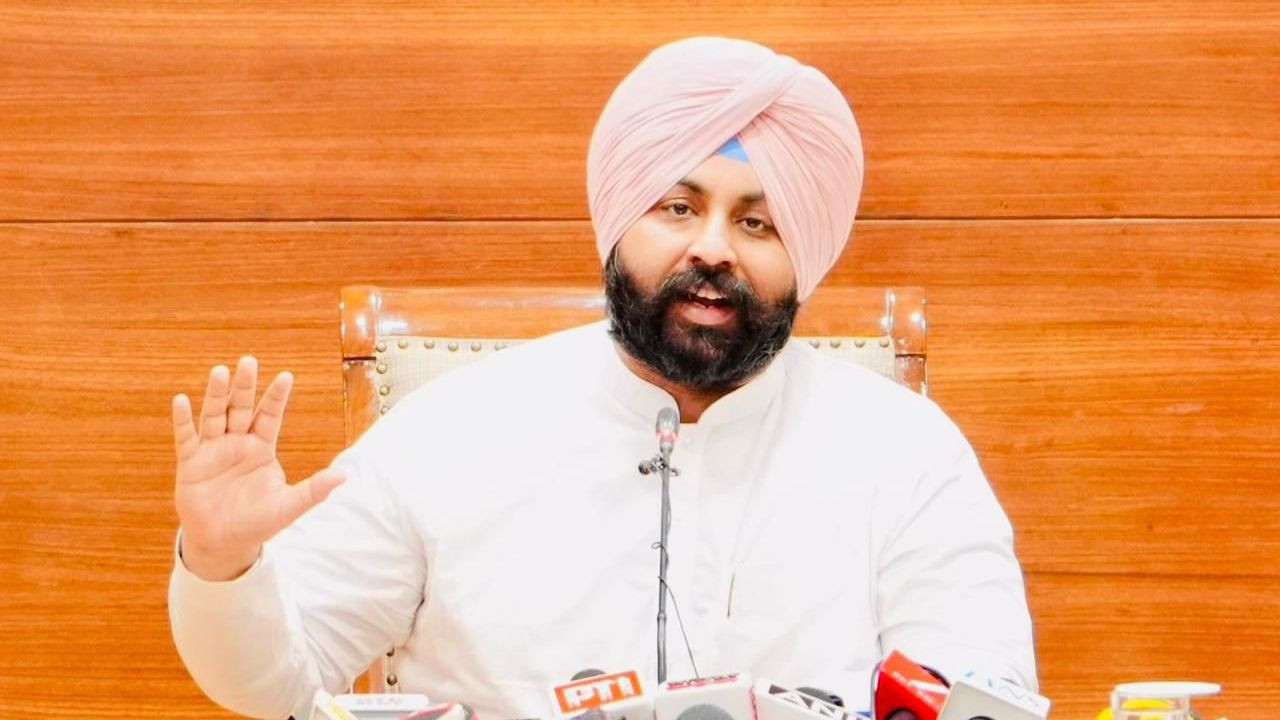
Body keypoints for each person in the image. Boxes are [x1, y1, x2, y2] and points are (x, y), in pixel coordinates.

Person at [168, 36, 1036, 720]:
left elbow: (978, 691)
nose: (712, 249)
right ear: (620, 222)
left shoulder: (905, 452)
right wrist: (222, 564)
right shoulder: (453, 430)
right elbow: (278, 681)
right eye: (678, 208)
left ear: (802, 256)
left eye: (759, 223)